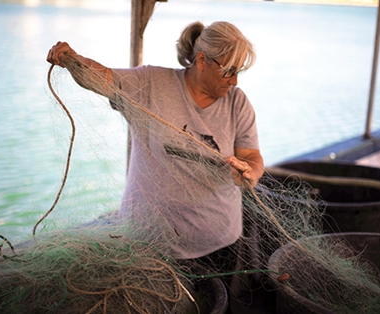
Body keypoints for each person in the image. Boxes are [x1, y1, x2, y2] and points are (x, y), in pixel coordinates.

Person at [46, 21, 264, 268]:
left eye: (240, 72)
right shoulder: (150, 82)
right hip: (148, 244)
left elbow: (252, 156)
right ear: (202, 61)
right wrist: (73, 59)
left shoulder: (238, 102)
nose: (234, 81)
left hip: (221, 242)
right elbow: (102, 78)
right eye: (229, 71)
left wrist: (249, 172)